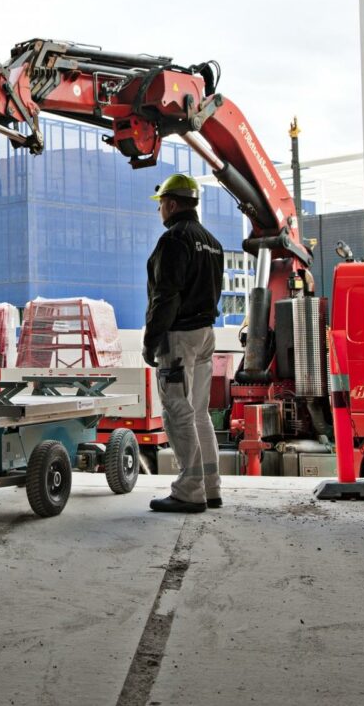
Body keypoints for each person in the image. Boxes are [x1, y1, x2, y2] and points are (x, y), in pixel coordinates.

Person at [142, 174, 224, 514]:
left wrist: (151, 339)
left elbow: (166, 295)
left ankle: (189, 491)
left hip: (178, 338)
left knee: (177, 411)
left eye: (161, 203)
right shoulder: (212, 242)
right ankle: (209, 486)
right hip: (205, 334)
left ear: (172, 204)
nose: (160, 209)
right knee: (199, 413)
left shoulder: (174, 240)